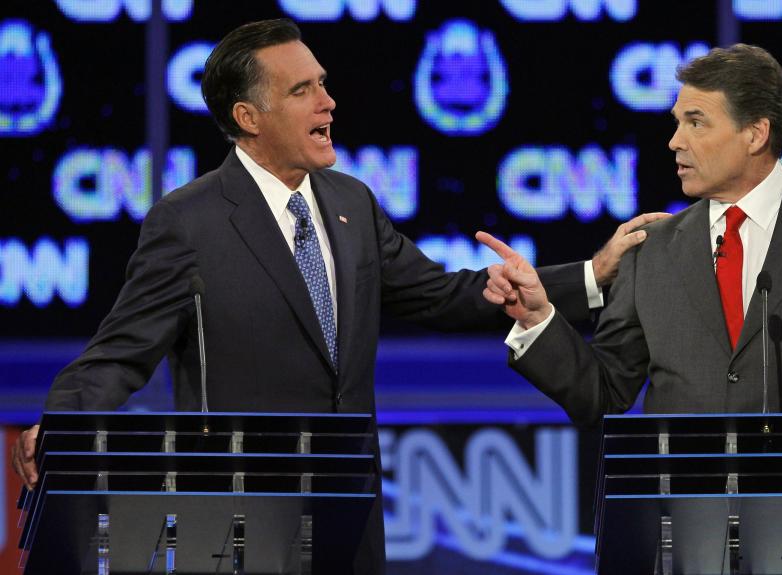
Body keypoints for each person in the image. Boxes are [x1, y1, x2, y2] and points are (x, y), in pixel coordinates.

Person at [9, 18, 667, 574]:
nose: (327, 101)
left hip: (350, 515)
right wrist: (60, 420)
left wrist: (592, 273)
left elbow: (443, 294)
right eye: (302, 90)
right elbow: (122, 351)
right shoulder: (191, 221)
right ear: (248, 117)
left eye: (322, 83)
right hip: (243, 520)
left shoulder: (349, 201)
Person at [477, 44, 782, 515]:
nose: (675, 141)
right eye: (677, 122)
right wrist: (540, 319)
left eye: (696, 122)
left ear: (756, 134)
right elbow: (604, 392)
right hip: (679, 525)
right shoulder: (652, 249)